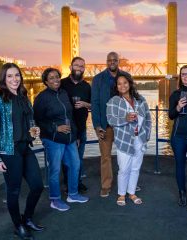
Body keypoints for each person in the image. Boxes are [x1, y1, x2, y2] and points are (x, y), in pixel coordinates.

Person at [0, 63, 44, 240]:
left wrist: (34, 131)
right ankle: (17, 226)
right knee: (14, 191)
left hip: (25, 148)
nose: (14, 79)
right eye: (10, 76)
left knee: (37, 186)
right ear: (4, 79)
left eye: (17, 75)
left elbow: (30, 122)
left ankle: (27, 218)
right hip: (9, 152)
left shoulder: (24, 98)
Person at [33, 67, 89, 212]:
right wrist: (55, 128)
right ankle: (55, 199)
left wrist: (75, 135)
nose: (55, 80)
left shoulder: (64, 93)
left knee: (75, 165)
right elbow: (37, 120)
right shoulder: (41, 98)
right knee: (55, 170)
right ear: (45, 81)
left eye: (57, 77)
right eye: (51, 78)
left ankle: (73, 194)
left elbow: (70, 117)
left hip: (69, 138)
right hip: (53, 139)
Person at [106, 73, 151, 206]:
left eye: (125, 82)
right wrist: (125, 119)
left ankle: (131, 192)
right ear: (116, 86)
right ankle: (121, 194)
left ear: (130, 83)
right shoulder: (113, 101)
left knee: (136, 167)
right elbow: (111, 120)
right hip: (124, 140)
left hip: (139, 138)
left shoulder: (140, 99)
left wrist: (147, 134)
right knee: (124, 168)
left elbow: (148, 118)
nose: (122, 86)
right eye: (119, 83)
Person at [91, 51, 132, 197]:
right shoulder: (98, 79)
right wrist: (97, 125)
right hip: (105, 124)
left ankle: (128, 183)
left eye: (115, 60)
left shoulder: (126, 77)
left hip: (123, 124)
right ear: (106, 61)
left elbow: (132, 98)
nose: (112, 62)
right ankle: (106, 185)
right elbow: (94, 103)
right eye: (110, 60)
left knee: (127, 154)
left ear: (118, 61)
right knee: (106, 157)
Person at [168, 65, 187, 207]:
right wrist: (178, 107)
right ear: (181, 77)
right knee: (180, 165)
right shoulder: (175, 94)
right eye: (183, 74)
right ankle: (181, 192)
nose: (186, 76)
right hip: (178, 137)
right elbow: (171, 115)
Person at [61, 56, 91, 192]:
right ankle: (68, 184)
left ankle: (77, 182)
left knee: (78, 158)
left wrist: (85, 104)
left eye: (82, 66)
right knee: (67, 160)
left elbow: (94, 106)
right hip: (66, 129)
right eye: (77, 65)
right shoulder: (61, 84)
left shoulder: (86, 86)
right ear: (71, 67)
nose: (79, 68)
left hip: (81, 128)